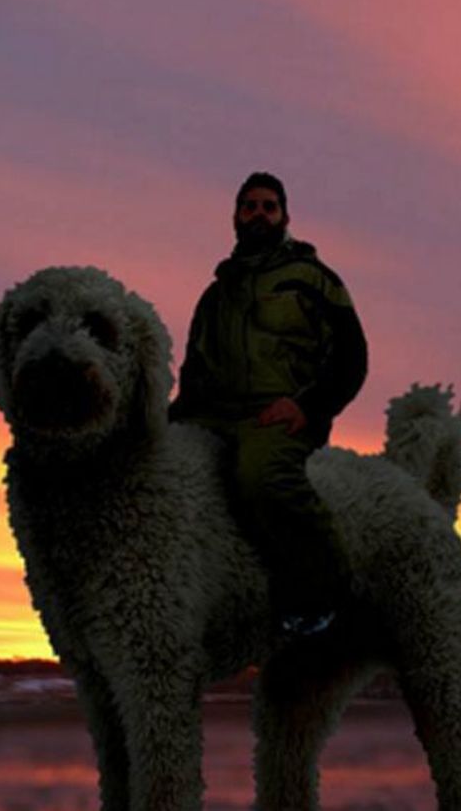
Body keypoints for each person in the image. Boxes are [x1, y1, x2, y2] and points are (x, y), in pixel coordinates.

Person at [169, 172, 368, 637]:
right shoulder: (216, 295)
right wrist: (170, 424)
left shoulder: (313, 280)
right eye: (250, 206)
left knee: (259, 476)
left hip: (280, 413)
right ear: (235, 217)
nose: (259, 213)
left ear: (285, 216)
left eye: (269, 206)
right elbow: (194, 368)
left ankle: (327, 586)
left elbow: (352, 356)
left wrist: (310, 407)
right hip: (214, 414)